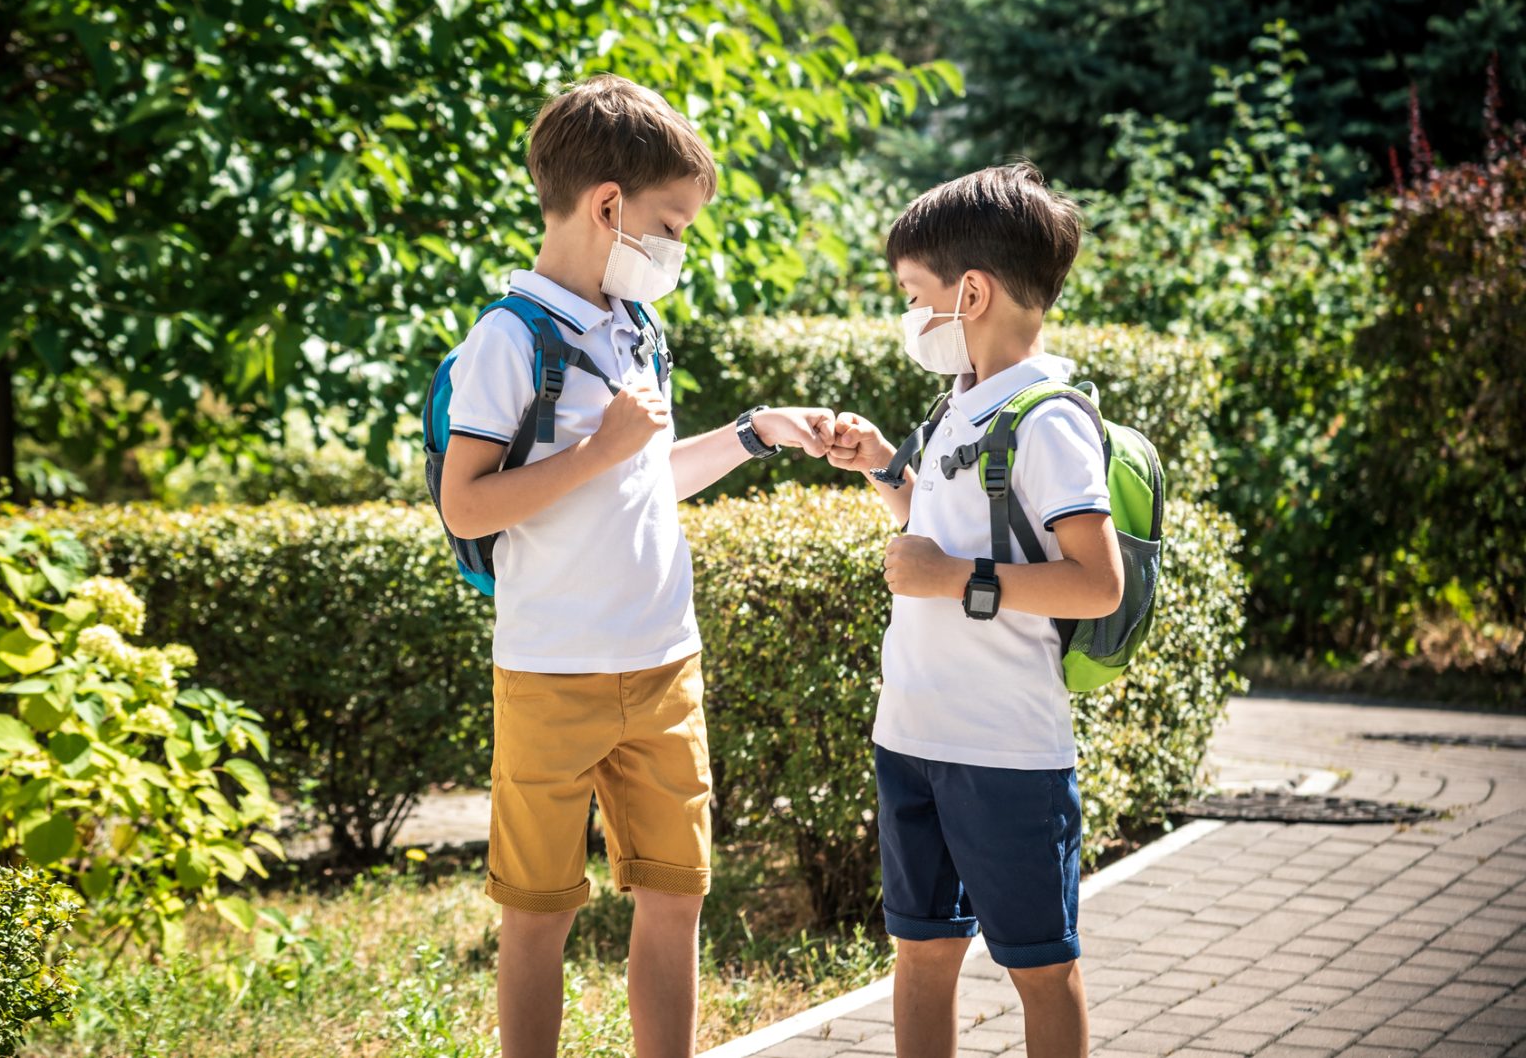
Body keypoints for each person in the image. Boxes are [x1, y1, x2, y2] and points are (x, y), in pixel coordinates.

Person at [436, 73, 833, 1058]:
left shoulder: (636, 328)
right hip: (550, 676)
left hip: (666, 670)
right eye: (675, 223)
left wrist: (751, 432)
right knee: (539, 910)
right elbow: (466, 501)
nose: (680, 247)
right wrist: (597, 451)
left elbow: (648, 472)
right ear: (609, 205)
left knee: (677, 897)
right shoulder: (509, 340)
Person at [824, 162, 1125, 1058]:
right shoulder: (962, 402)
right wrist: (888, 471)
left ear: (972, 293)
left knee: (1039, 967)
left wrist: (953, 576)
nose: (911, 317)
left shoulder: (1049, 421)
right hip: (912, 734)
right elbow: (947, 531)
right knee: (918, 955)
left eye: (916, 297)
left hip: (1004, 753)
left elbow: (1094, 581)